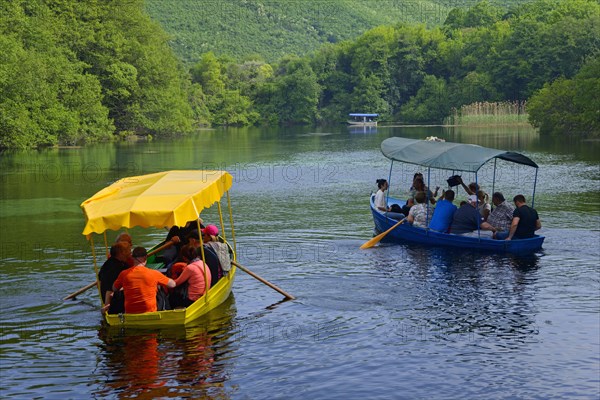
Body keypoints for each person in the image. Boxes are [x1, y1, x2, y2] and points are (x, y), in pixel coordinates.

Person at [107, 247, 175, 314]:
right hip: (150, 312)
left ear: (132, 258)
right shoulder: (154, 273)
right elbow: (172, 284)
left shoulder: (124, 274)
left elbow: (114, 288)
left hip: (130, 313)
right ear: (145, 258)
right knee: (159, 290)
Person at [98, 241, 131, 313]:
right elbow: (109, 291)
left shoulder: (107, 264)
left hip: (108, 297)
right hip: (114, 302)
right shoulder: (119, 268)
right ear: (122, 252)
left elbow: (99, 281)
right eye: (129, 250)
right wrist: (108, 308)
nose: (130, 253)